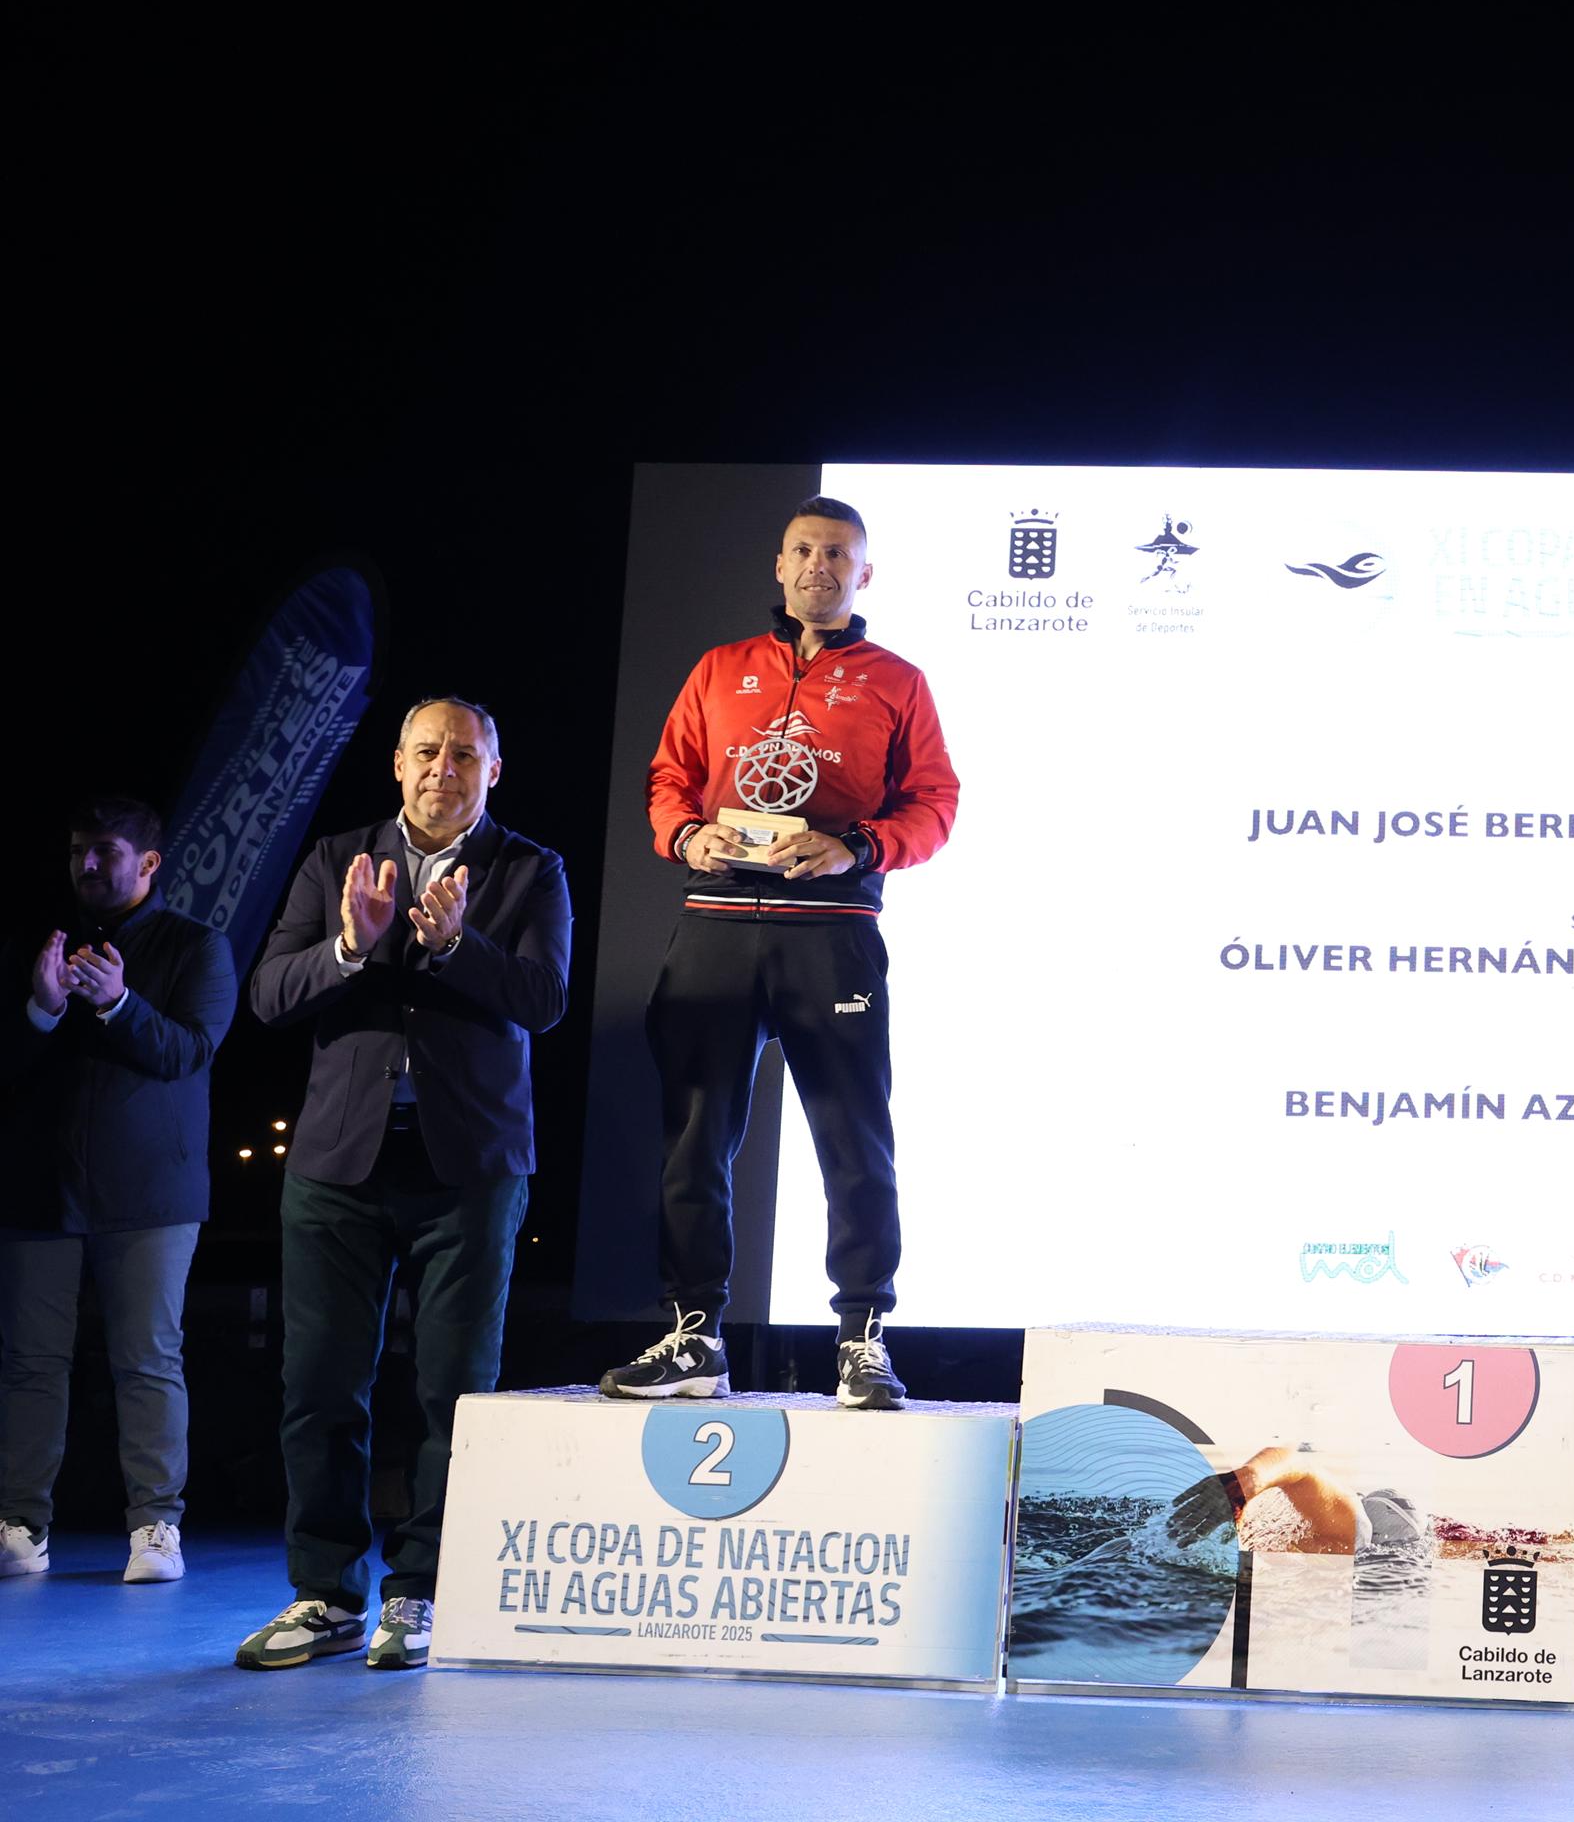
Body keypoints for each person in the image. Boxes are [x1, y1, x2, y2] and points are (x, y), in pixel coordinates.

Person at [603, 495, 960, 1410]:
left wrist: (861, 846)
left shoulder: (898, 680)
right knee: (694, 1140)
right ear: (778, 564)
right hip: (717, 924)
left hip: (832, 933)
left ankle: (863, 1338)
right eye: (804, 549)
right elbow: (667, 779)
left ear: (864, 573)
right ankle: (694, 1337)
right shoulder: (721, 669)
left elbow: (934, 801)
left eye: (839, 554)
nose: (820, 566)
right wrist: (684, 836)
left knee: (852, 1135)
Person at [238, 698, 571, 1671]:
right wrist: (350, 945)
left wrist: (458, 945)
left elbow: (544, 1001)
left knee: (453, 1394)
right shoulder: (337, 855)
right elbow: (267, 994)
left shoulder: (529, 869)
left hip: (469, 1169)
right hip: (339, 1165)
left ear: (492, 771)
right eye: (426, 751)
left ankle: (420, 1592)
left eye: (463, 753)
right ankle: (325, 1593)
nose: (443, 768)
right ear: (397, 763)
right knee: (321, 1387)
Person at [0, 796, 237, 1585]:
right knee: (31, 1362)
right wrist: (41, 1006)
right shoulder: (40, 939)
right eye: (77, 852)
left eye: (104, 850)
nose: (88, 865)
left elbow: (189, 1051)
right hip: (42, 1188)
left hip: (151, 1195)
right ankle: (21, 1525)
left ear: (149, 864)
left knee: (146, 1360)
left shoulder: (195, 947)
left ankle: (155, 1526)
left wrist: (117, 1004)